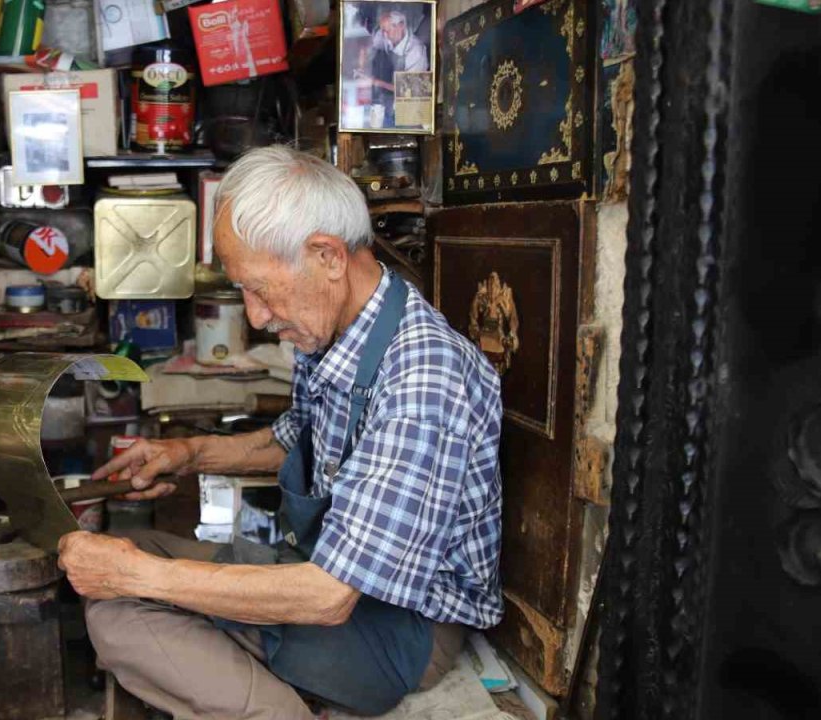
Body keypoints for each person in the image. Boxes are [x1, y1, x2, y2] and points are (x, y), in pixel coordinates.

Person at [59, 147, 504, 719]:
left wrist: (136, 576)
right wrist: (186, 453)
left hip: (399, 631)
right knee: (132, 562)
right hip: (331, 576)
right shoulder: (336, 329)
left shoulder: (422, 379)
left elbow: (329, 595)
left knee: (122, 607)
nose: (257, 317)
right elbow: (294, 440)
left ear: (328, 256)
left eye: (260, 289)